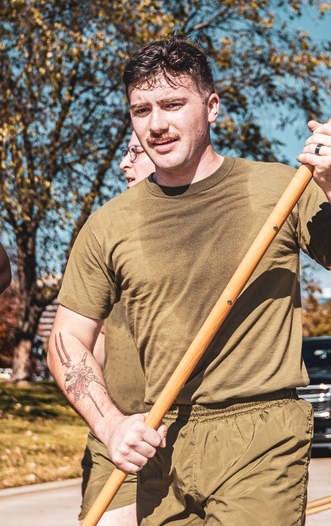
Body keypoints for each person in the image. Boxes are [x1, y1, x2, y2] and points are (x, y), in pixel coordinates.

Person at [49, 38, 331, 525]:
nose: (156, 124)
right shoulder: (108, 225)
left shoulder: (280, 189)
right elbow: (67, 337)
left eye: (173, 105)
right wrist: (109, 425)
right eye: (141, 109)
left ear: (211, 106)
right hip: (161, 437)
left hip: (259, 434)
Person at [75, 133, 156, 526]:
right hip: (121, 433)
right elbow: (92, 342)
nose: (124, 164)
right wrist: (103, 417)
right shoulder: (107, 232)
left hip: (193, 429)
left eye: (135, 153)